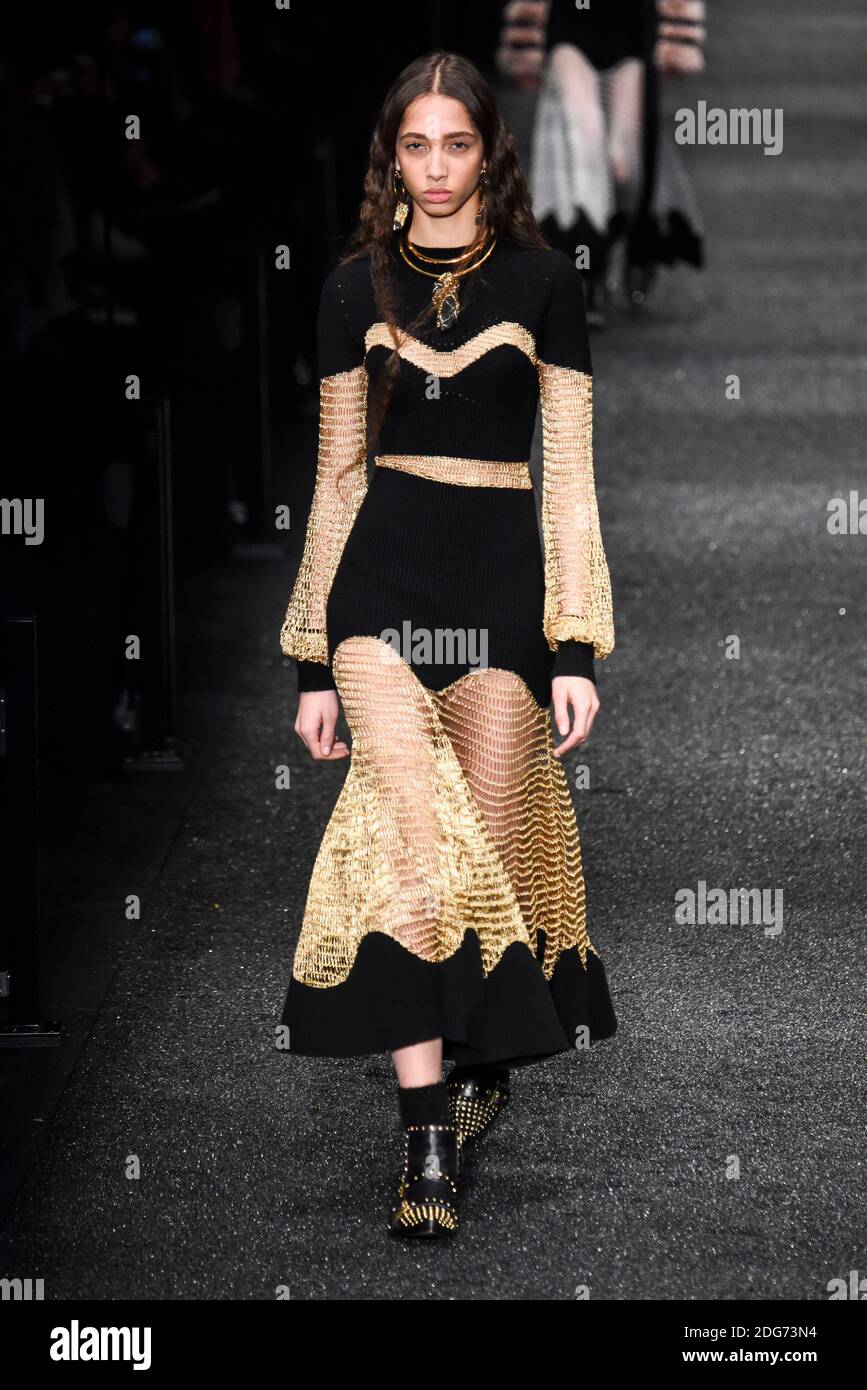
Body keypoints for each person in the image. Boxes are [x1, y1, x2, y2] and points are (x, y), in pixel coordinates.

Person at [278, 50, 617, 1238]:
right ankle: (423, 1134)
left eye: (455, 144)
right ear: (393, 158)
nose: (434, 169)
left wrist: (573, 646)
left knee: (492, 845)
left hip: (498, 596)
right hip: (379, 590)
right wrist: (315, 659)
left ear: (489, 152)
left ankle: (476, 1073)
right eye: (414, 147)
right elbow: (333, 480)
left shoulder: (542, 284)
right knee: (417, 851)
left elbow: (568, 476)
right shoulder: (345, 289)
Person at [497, 0, 707, 327]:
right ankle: (589, 269)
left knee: (624, 166)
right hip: (570, 26)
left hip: (632, 29)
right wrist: (525, 38)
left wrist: (678, 35)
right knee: (584, 137)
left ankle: (625, 244)